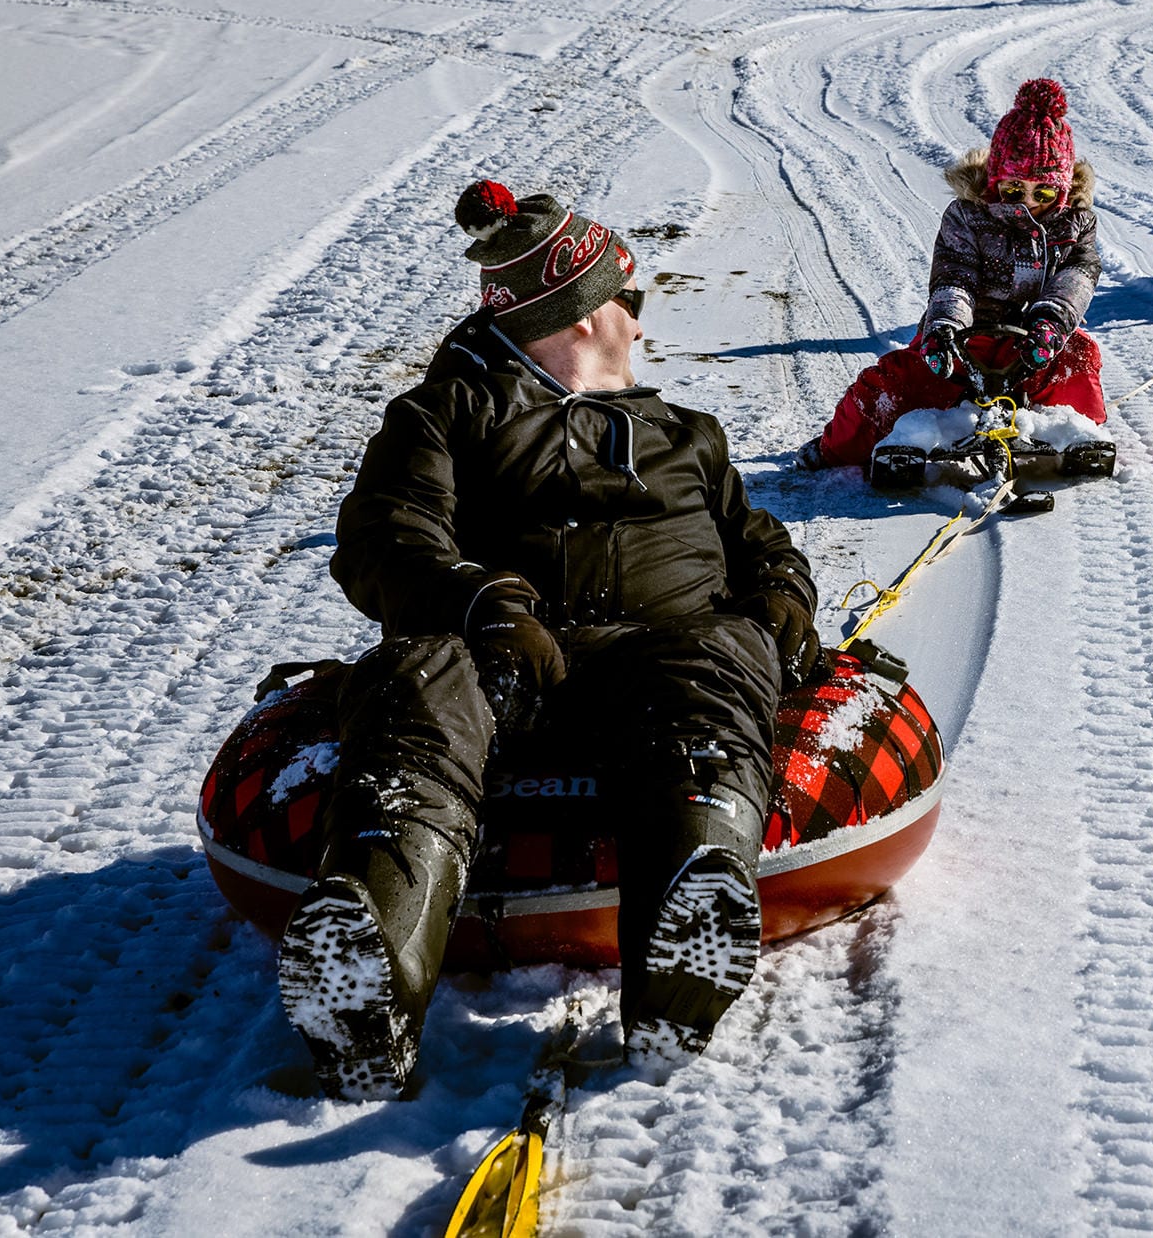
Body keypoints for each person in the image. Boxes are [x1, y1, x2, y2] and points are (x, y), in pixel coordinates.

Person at [276, 180, 820, 1099]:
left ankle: (685, 940)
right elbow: (384, 537)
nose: (641, 326)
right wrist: (479, 601)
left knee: (715, 658)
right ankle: (373, 968)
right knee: (417, 673)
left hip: (659, 663)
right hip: (501, 663)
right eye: (629, 302)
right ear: (578, 316)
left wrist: (782, 599)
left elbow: (759, 542)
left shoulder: (688, 434)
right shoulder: (449, 413)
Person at [798, 78, 1110, 484]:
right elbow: (954, 277)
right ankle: (834, 448)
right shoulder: (967, 217)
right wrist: (945, 328)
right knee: (890, 384)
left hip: (1036, 341)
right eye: (1015, 189)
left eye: (1044, 193)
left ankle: (1075, 434)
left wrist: (1050, 326)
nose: (1029, 201)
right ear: (997, 181)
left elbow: (1076, 277)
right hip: (967, 341)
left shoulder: (1077, 224)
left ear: (1063, 192)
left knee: (1080, 356)